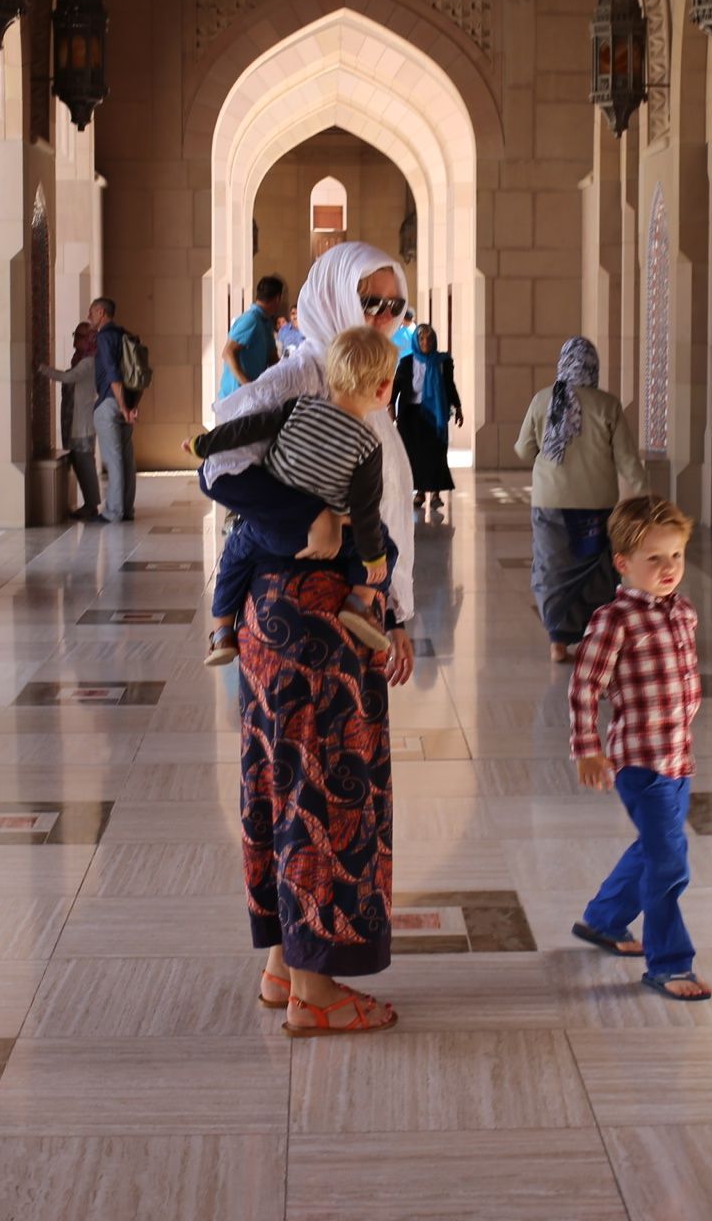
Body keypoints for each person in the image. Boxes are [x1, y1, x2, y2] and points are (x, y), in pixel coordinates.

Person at [203, 240, 418, 1037]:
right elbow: (215, 467)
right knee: (322, 793)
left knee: (293, 781)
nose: (388, 321)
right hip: (305, 625)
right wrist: (306, 521)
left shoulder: (363, 380)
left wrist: (389, 611)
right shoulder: (300, 375)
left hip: (331, 618)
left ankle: (281, 968)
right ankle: (318, 995)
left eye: (397, 306)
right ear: (334, 301)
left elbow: (374, 520)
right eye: (374, 305)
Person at [568, 495, 710, 1002]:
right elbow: (584, 684)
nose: (669, 568)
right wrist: (587, 748)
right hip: (640, 762)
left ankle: (604, 919)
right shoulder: (615, 619)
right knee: (671, 863)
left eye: (676, 556)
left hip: (677, 759)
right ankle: (669, 963)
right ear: (624, 563)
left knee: (653, 848)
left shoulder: (683, 613)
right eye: (654, 558)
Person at [187, 326, 398, 665]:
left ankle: (222, 631)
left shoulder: (299, 407)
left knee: (234, 557)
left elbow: (248, 428)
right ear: (383, 388)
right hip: (329, 544)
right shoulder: (368, 446)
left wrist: (204, 444)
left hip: (268, 530)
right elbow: (365, 510)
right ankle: (360, 604)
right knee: (384, 543)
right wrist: (373, 558)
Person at [515, 337, 646, 662]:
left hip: (550, 502)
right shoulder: (607, 405)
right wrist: (646, 495)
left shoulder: (544, 400)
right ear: (593, 365)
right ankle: (594, 636)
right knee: (597, 571)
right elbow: (627, 460)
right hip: (596, 506)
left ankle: (557, 642)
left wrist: (548, 457)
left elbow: (523, 450)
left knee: (552, 568)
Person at [394, 322, 461, 511]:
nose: (425, 342)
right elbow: (397, 386)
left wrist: (458, 407)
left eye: (429, 338)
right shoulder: (407, 363)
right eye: (421, 338)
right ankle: (420, 492)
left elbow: (449, 385)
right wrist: (391, 405)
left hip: (434, 412)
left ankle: (436, 495)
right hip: (411, 415)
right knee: (415, 454)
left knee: (435, 452)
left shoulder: (442, 361)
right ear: (416, 340)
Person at [89, 297, 139, 522]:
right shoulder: (126, 336)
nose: (89, 317)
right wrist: (131, 406)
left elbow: (113, 375)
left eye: (91, 312)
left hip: (111, 404)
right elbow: (140, 374)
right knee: (126, 458)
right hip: (125, 404)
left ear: (101, 312)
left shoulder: (105, 337)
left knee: (114, 458)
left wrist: (121, 405)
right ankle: (126, 508)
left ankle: (114, 511)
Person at [52, 320, 101, 521]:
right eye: (76, 335)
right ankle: (89, 504)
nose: (75, 340)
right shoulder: (80, 359)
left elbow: (68, 378)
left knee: (84, 462)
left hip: (82, 423)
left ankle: (91, 505)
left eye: (80, 337)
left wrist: (41, 369)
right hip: (74, 420)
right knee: (79, 462)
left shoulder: (89, 362)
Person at [219, 275, 287, 399]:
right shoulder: (251, 319)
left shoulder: (266, 323)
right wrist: (247, 385)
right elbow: (228, 352)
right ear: (278, 298)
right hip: (236, 396)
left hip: (253, 396)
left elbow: (272, 359)